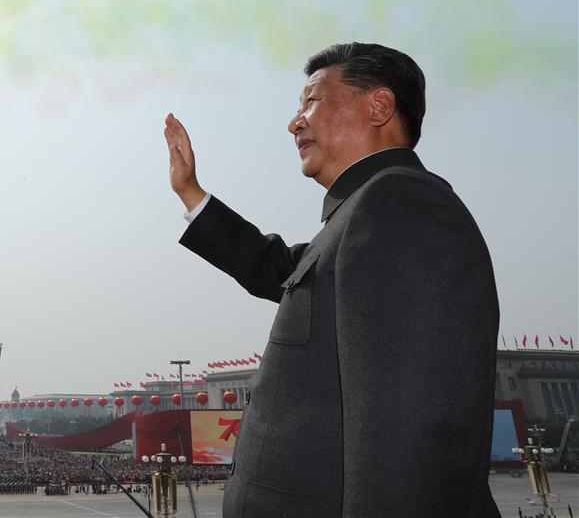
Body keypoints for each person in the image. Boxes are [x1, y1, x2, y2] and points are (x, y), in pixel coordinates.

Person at [165, 42, 500, 518]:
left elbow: (410, 439)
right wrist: (192, 194)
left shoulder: (402, 206)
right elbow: (281, 270)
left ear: (379, 106)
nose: (294, 121)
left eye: (311, 102)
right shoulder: (364, 214)